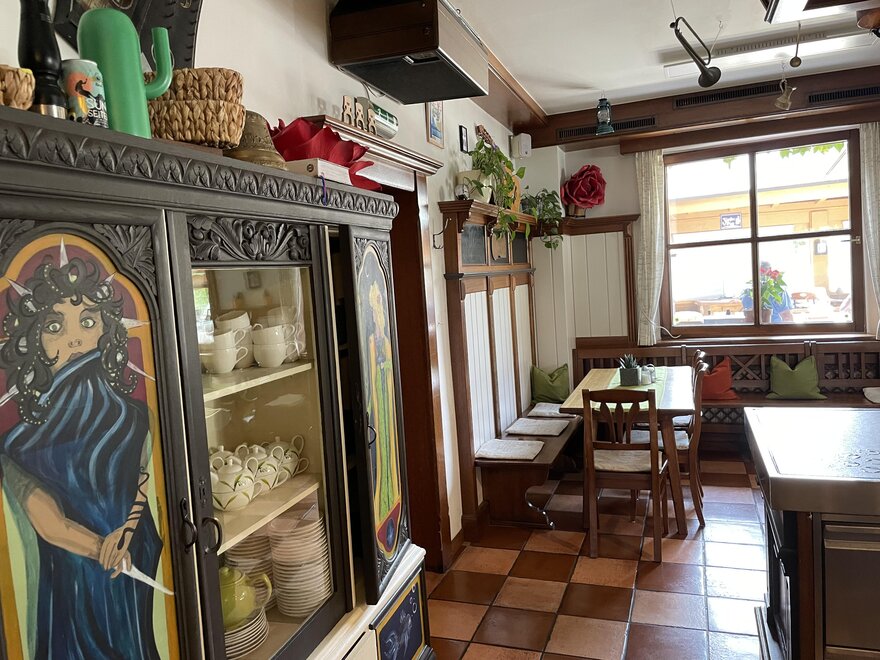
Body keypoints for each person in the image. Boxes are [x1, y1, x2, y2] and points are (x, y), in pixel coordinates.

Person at [0, 252, 162, 659]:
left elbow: (141, 480)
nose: (75, 340)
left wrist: (127, 531)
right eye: (55, 327)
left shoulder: (136, 416)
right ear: (33, 340)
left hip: (130, 573)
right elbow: (49, 524)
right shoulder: (18, 445)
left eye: (88, 322)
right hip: (75, 585)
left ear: (106, 330)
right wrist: (102, 548)